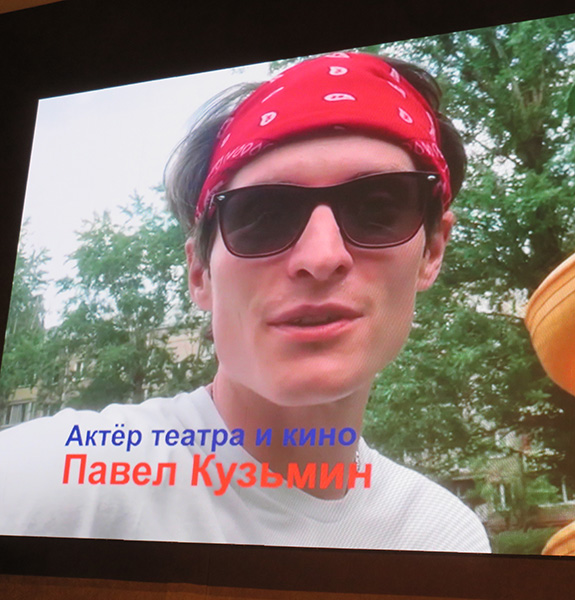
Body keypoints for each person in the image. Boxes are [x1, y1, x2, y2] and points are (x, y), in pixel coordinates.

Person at [0, 52, 490, 553]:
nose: (321, 257)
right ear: (200, 273)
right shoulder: (50, 486)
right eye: (263, 216)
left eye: (378, 210)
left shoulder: (442, 538)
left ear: (432, 251)